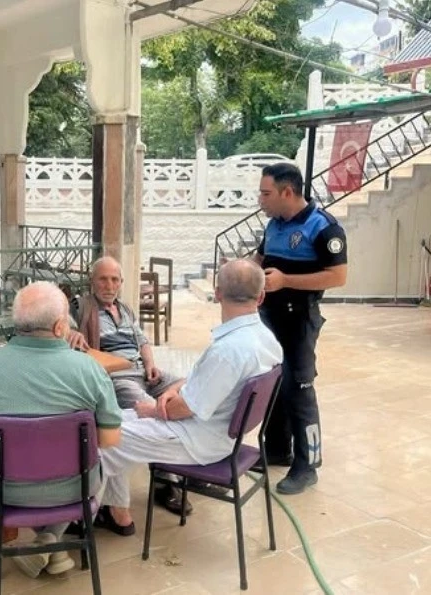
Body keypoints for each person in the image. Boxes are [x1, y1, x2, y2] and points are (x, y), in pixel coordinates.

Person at [95, 259, 283, 535]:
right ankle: (115, 510)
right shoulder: (267, 340)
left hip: (198, 439)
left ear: (217, 293)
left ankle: (87, 518)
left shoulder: (229, 351)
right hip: (218, 433)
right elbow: (201, 381)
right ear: (262, 296)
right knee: (111, 422)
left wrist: (152, 410)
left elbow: (183, 409)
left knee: (102, 436)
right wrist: (173, 389)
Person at [0, 281, 122, 578]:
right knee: (101, 462)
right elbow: (110, 439)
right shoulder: (90, 369)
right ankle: (50, 540)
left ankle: (47, 542)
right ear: (60, 327)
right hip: (73, 488)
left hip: (3, 490)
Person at [66, 255, 194, 515]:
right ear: (92, 281)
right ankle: (166, 481)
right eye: (103, 279)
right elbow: (59, 322)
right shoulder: (81, 306)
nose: (109, 285)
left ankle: (191, 462)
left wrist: (150, 365)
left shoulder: (124, 309)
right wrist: (71, 331)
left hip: (143, 372)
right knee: (155, 413)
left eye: (115, 280)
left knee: (190, 391)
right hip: (118, 376)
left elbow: (142, 341)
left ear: (121, 282)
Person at [254, 163, 347, 495]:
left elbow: (338, 277)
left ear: (287, 192)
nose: (260, 200)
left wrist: (286, 281)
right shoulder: (274, 225)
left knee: (299, 389)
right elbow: (260, 260)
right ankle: (278, 449)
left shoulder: (323, 228)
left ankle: (308, 466)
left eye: (266, 193)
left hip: (299, 321)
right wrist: (239, 275)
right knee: (273, 385)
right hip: (270, 318)